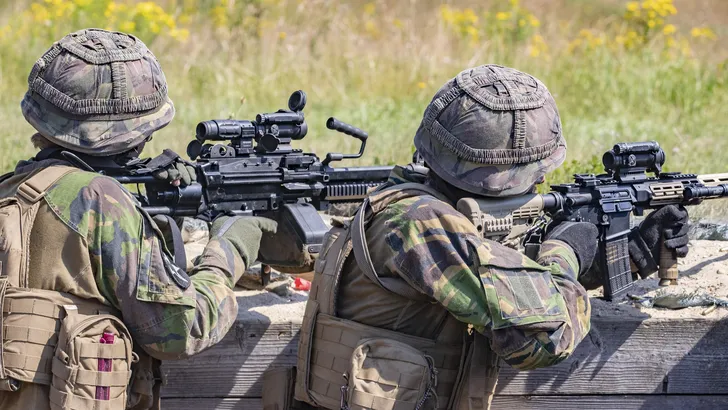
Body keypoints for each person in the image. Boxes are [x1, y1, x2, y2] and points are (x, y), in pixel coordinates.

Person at [274, 64, 689, 410]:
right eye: (537, 176)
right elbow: (544, 338)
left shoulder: (406, 199)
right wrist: (565, 253)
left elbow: (500, 279)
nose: (542, 184)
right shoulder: (423, 225)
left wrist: (629, 254)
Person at [0, 28, 276, 410]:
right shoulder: (100, 201)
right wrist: (229, 250)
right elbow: (180, 329)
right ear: (136, 135)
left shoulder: (12, 189)